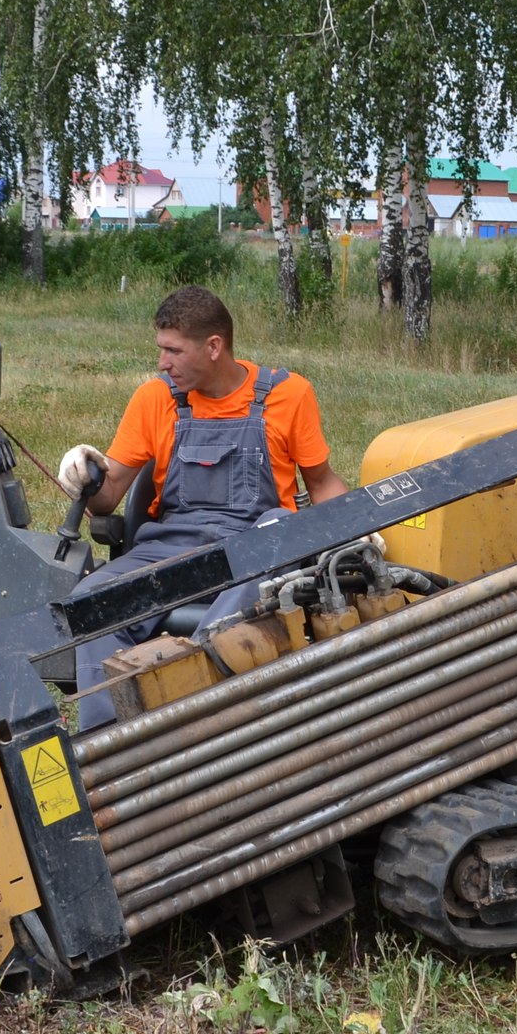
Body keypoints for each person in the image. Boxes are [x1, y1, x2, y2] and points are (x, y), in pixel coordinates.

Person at [57, 285, 347, 726]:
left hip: (253, 548)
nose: (162, 363)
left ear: (214, 347)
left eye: (173, 351)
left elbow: (322, 483)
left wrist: (358, 525)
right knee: (90, 602)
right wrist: (85, 472)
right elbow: (107, 497)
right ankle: (107, 743)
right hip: (171, 549)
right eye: (161, 350)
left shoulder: (289, 395)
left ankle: (197, 679)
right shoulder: (155, 399)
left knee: (280, 522)